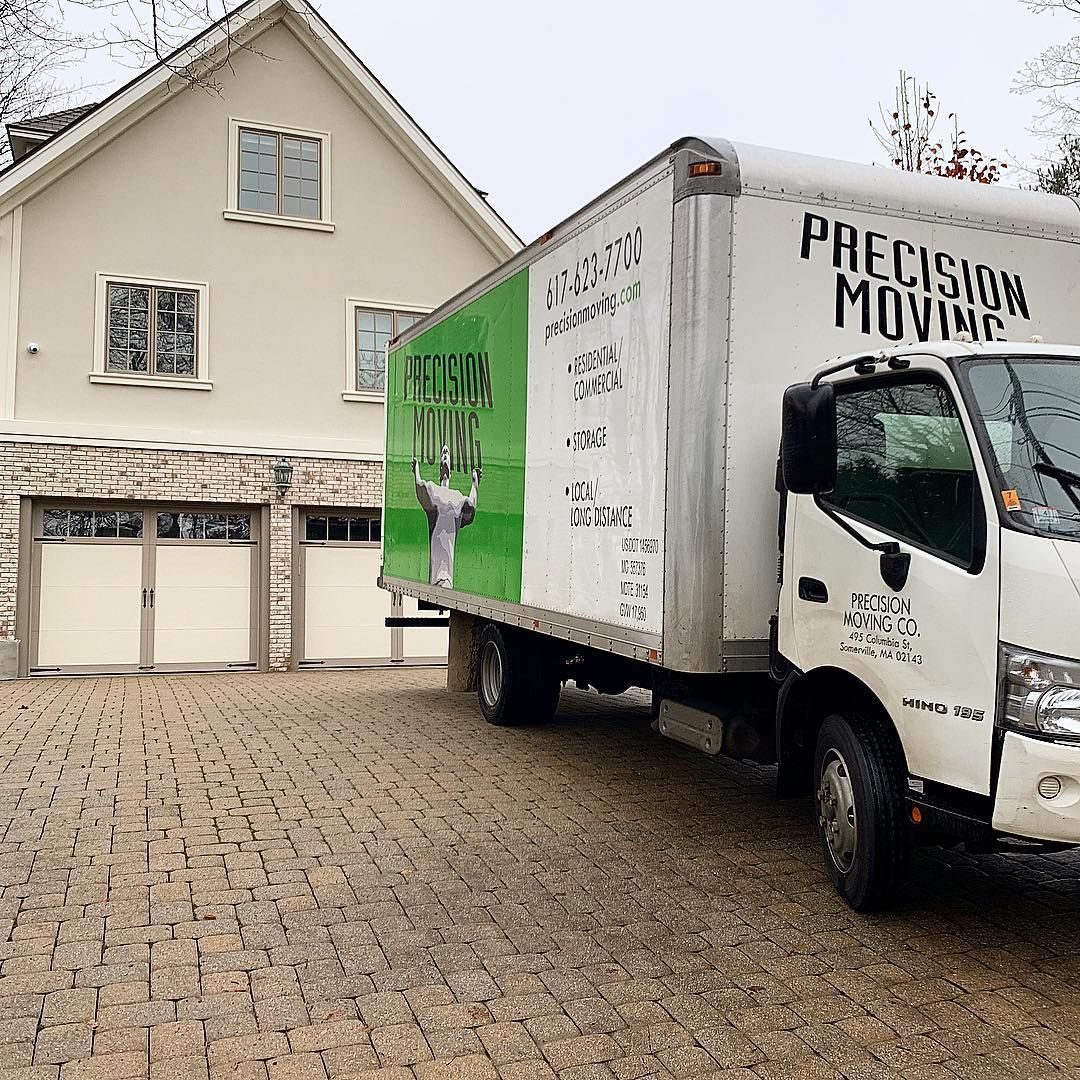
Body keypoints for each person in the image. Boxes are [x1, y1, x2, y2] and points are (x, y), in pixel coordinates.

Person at [413, 445, 481, 587]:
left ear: (450, 470)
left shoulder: (457, 498)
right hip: (436, 576)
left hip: (447, 578)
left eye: (447, 453)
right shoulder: (434, 491)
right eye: (443, 453)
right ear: (440, 469)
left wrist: (475, 485)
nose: (445, 455)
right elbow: (420, 487)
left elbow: (471, 507)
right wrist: (416, 472)